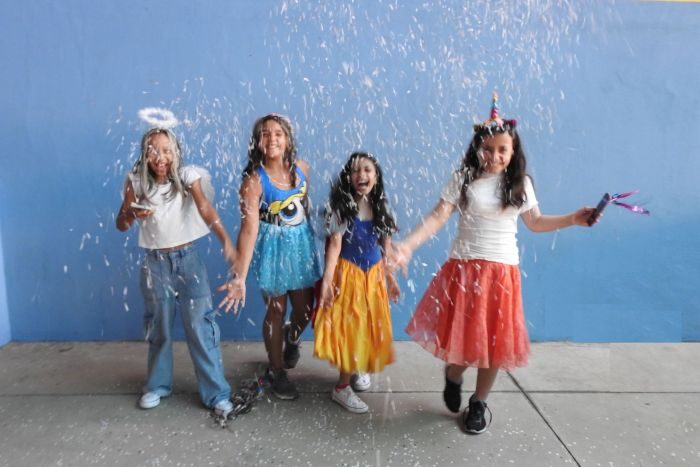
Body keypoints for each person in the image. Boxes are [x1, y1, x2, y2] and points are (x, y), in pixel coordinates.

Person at [390, 94, 596, 434]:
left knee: (494, 346)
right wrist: (408, 246)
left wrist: (573, 219)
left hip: (502, 273)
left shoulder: (521, 184)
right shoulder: (463, 178)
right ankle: (453, 374)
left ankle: (478, 402)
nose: (494, 156)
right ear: (477, 149)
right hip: (465, 270)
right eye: (487, 149)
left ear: (513, 152)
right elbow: (438, 217)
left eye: (502, 150)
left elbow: (535, 222)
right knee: (462, 345)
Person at [116, 127, 237, 418]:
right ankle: (157, 385)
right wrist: (132, 212)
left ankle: (217, 393)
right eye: (153, 151)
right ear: (144, 154)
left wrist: (226, 241)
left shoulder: (186, 176)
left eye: (167, 150)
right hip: (154, 263)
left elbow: (205, 208)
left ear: (176, 153)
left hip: (188, 260)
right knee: (159, 326)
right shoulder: (136, 180)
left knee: (201, 327)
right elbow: (121, 223)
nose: (161, 157)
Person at [220, 114, 322, 400]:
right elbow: (249, 229)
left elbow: (302, 208)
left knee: (304, 310)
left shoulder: (302, 169)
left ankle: (291, 336)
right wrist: (239, 276)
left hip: (300, 248)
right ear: (257, 142)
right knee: (276, 309)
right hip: (272, 250)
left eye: (278, 133)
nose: (272, 139)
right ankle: (276, 370)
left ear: (287, 139)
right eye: (265, 134)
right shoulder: (254, 182)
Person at [313, 152, 400, 413]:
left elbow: (386, 247)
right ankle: (341, 387)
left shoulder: (382, 208)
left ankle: (358, 364)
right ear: (348, 178)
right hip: (349, 276)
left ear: (376, 176)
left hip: (372, 277)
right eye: (355, 171)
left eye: (367, 170)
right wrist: (327, 281)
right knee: (351, 328)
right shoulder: (341, 209)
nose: (361, 175)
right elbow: (334, 247)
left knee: (368, 324)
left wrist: (391, 276)